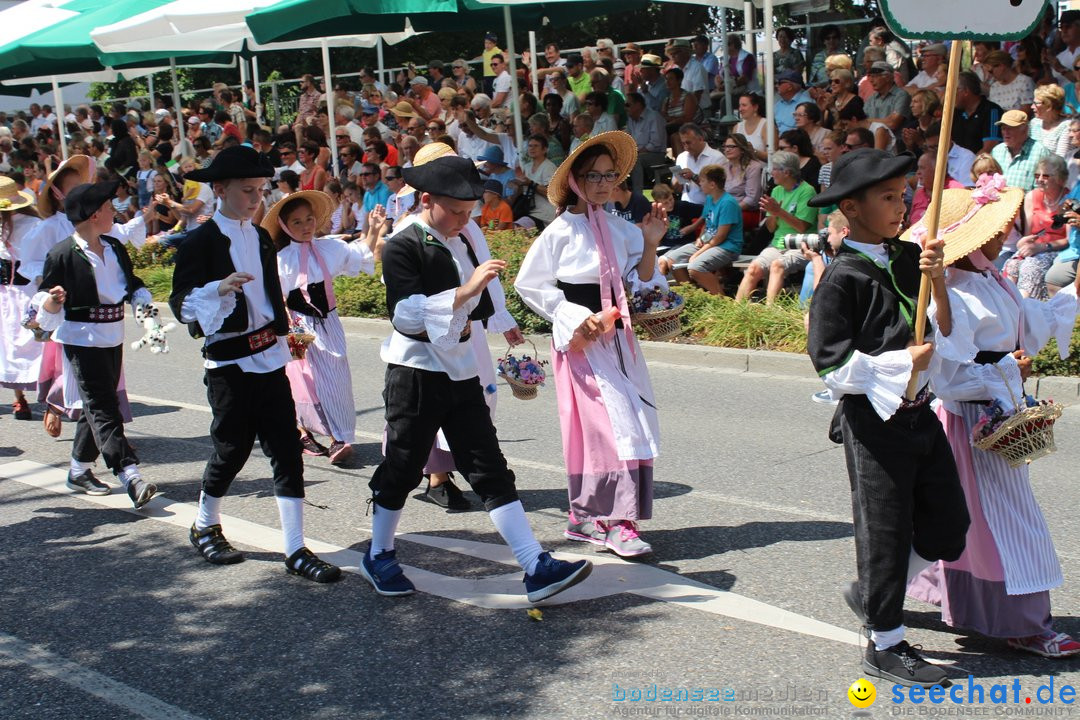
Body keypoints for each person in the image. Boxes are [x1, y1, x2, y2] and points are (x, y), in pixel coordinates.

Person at [365, 152, 592, 600]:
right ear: (426, 200)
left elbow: (482, 296)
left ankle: (534, 565)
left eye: (470, 212)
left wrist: (494, 313)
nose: (464, 220)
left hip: (462, 370)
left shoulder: (464, 236)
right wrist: (464, 292)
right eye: (456, 211)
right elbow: (406, 315)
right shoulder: (403, 243)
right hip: (415, 373)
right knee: (404, 465)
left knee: (488, 466)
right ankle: (378, 553)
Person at [806, 148, 969, 687]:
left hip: (923, 414)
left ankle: (875, 592)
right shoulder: (841, 279)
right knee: (885, 531)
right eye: (888, 197)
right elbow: (831, 366)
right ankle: (885, 643)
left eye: (903, 195)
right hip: (874, 425)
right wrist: (901, 363)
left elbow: (943, 329)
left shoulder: (907, 258)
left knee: (949, 526)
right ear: (850, 207)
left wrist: (939, 281)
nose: (901, 206)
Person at [906, 179, 1080, 659]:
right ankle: (1025, 623)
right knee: (1005, 522)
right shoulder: (950, 295)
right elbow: (949, 376)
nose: (1003, 233)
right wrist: (1007, 370)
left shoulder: (990, 276)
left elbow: (1033, 319)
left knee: (965, 521)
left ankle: (886, 586)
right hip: (969, 420)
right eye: (994, 226)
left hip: (1000, 411)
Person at [168, 146, 341, 584]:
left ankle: (296, 547)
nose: (255, 199)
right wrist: (218, 289)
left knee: (286, 448)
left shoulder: (260, 235)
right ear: (220, 189)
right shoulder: (199, 241)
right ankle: (205, 522)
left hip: (269, 355)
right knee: (233, 448)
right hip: (228, 362)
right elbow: (181, 305)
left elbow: (270, 295)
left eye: (260, 190)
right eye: (247, 190)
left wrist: (286, 337)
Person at [515, 131, 669, 558]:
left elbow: (641, 283)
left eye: (609, 175)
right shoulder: (559, 231)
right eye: (593, 175)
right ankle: (616, 522)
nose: (602, 183)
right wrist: (575, 319)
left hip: (619, 340)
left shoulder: (622, 229)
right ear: (575, 181)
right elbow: (530, 285)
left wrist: (651, 243)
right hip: (582, 341)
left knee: (629, 423)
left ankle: (590, 518)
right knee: (605, 427)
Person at [29, 180, 157, 508]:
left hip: (112, 336)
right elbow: (43, 300)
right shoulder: (62, 254)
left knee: (96, 404)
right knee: (103, 406)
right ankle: (130, 474)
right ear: (95, 214)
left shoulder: (113, 246)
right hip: (81, 339)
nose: (115, 210)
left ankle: (78, 469)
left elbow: (133, 284)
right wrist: (53, 302)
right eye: (110, 206)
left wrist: (147, 312)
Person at [265, 190, 375, 465]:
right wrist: (284, 324)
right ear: (284, 226)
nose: (305, 227)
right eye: (297, 222)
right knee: (301, 377)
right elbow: (272, 293)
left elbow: (360, 257)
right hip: (297, 325)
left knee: (335, 376)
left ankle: (338, 434)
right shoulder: (281, 258)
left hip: (329, 323)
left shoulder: (330, 247)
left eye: (309, 219)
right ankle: (315, 433)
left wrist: (374, 229)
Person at [735, 151, 818, 305]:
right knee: (753, 269)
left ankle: (769, 314)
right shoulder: (776, 191)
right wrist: (773, 214)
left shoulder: (807, 191)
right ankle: (733, 313)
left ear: (786, 172)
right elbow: (771, 228)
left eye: (774, 169)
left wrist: (779, 211)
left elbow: (801, 227)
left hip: (801, 245)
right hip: (778, 243)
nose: (771, 172)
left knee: (777, 265)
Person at [658, 164, 743, 295]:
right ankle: (694, 297)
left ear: (712, 184)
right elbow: (706, 221)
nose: (700, 184)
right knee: (671, 261)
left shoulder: (728, 203)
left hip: (727, 246)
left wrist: (697, 253)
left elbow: (721, 236)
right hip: (709, 243)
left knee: (695, 267)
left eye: (702, 181)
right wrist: (700, 238)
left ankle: (722, 302)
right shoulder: (710, 198)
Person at [0, 177, 41, 420]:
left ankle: (51, 397)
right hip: (5, 292)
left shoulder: (34, 224)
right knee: (7, 346)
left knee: (37, 342)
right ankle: (19, 399)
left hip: (28, 291)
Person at [1003, 154, 1071, 299]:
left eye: (1045, 176)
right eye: (1037, 175)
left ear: (1060, 178)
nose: (1039, 179)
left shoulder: (1069, 200)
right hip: (1034, 248)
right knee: (1012, 265)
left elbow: (1068, 240)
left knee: (1030, 267)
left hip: (1056, 250)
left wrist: (1042, 247)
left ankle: (1027, 308)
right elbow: (1028, 235)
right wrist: (1023, 243)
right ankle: (1006, 306)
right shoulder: (1032, 196)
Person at [991, 110, 1051, 192]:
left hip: (1026, 203)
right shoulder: (997, 151)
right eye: (1003, 128)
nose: (1005, 132)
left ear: (1025, 129)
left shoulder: (1040, 152)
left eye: (1010, 128)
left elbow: (1042, 189)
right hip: (998, 203)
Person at [672, 123, 723, 218]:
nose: (686, 147)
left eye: (689, 142)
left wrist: (693, 177)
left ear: (700, 139)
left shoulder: (717, 158)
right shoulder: (681, 157)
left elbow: (717, 189)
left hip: (707, 206)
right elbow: (677, 190)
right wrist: (677, 181)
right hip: (685, 204)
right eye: (683, 143)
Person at [720, 133, 764, 230]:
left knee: (722, 220)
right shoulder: (724, 167)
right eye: (725, 147)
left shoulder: (753, 167)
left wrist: (731, 210)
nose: (727, 150)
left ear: (742, 149)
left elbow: (752, 199)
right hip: (725, 209)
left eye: (731, 147)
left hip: (746, 211)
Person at [1029, 84, 1073, 159]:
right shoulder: (1034, 123)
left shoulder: (1067, 126)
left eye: (1036, 103)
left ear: (1049, 106)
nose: (1032, 107)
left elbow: (1060, 160)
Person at [734, 93, 771, 162]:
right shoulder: (737, 127)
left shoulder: (767, 125)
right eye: (739, 106)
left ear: (755, 107)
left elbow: (772, 156)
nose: (740, 109)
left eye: (744, 105)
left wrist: (752, 151)